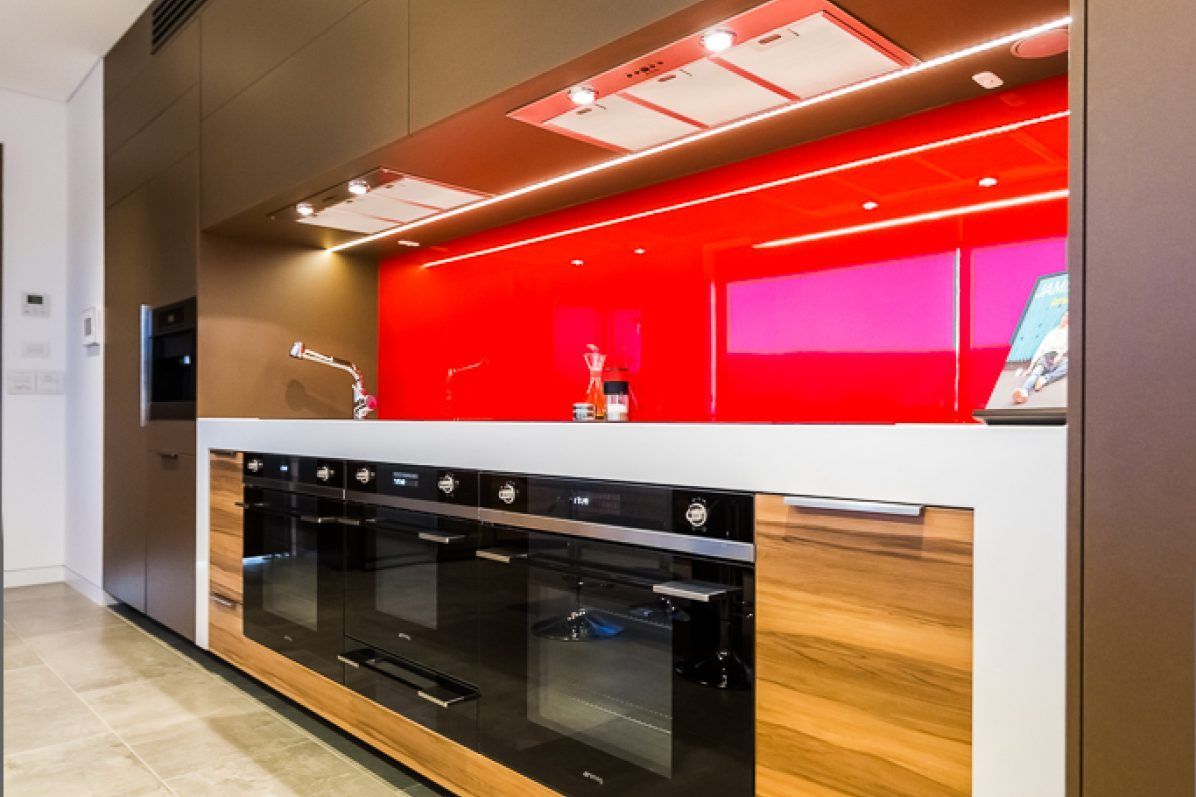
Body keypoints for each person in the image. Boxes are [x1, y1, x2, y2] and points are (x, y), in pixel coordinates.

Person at [1013, 311, 1068, 405]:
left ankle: (1045, 379)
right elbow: (1040, 349)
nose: (1066, 318)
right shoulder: (1052, 333)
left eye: (1069, 317)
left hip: (1057, 359)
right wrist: (1030, 367)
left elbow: (1066, 346)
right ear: (1062, 317)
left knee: (1068, 365)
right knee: (1036, 373)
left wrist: (1060, 354)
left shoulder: (1069, 333)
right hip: (1045, 357)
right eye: (1065, 316)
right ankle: (1024, 392)